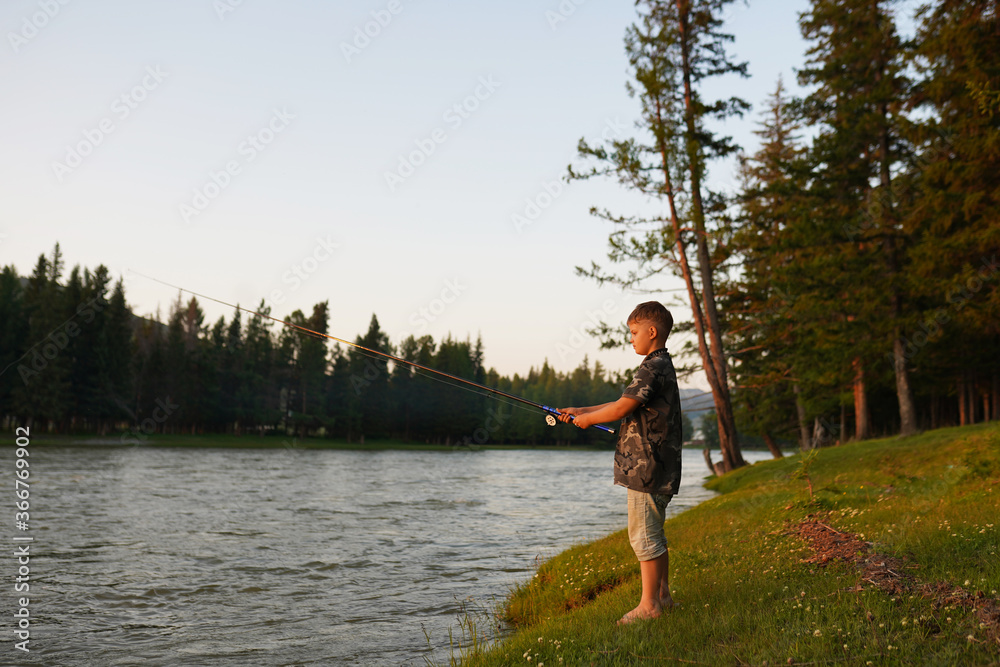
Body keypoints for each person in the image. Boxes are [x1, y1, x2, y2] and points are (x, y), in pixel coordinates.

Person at [557, 301, 683, 625]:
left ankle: (649, 606)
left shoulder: (651, 367)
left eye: (634, 332)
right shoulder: (659, 365)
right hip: (659, 466)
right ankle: (663, 598)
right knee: (655, 533)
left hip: (646, 468)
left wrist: (587, 422)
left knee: (645, 537)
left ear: (651, 332)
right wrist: (581, 411)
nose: (631, 339)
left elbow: (619, 410)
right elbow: (620, 403)